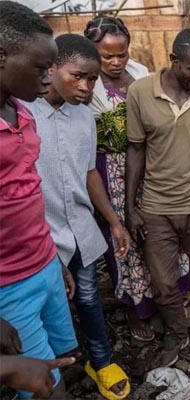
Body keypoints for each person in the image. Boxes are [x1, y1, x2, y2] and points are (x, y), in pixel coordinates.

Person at [23, 34, 131, 400]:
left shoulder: (84, 117)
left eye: (92, 80)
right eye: (77, 76)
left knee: (87, 297)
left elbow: (90, 174)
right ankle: (51, 370)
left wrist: (114, 221)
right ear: (51, 69)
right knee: (46, 306)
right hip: (41, 235)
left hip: (80, 230)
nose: (86, 87)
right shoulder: (23, 115)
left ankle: (99, 361)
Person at [125, 28, 190, 368]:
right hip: (156, 207)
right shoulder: (141, 92)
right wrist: (130, 207)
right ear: (173, 61)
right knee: (164, 283)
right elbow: (135, 151)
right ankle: (176, 330)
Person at [84, 15, 190, 343]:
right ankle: (136, 309)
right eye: (107, 56)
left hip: (148, 165)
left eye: (122, 53)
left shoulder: (140, 74)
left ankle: (166, 298)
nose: (116, 62)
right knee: (125, 240)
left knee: (161, 234)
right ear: (92, 52)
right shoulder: (86, 86)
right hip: (108, 172)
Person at [0, 2, 79, 398]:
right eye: (40, 68)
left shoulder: (22, 113)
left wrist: (53, 258)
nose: (49, 79)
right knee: (41, 385)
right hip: (7, 287)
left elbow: (25, 196)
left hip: (43, 264)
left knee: (62, 355)